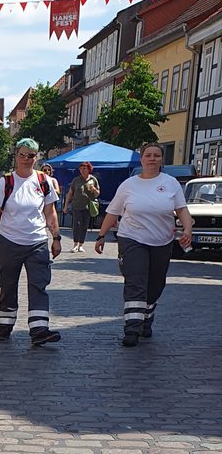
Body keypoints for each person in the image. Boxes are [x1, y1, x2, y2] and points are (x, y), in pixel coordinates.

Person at [93, 142, 193, 346]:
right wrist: (101, 235)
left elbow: (181, 209)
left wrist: (188, 230)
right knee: (136, 281)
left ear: (161, 159)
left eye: (157, 155)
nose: (152, 159)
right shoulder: (129, 185)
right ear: (142, 159)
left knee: (156, 283)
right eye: (148, 155)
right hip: (132, 238)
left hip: (161, 240)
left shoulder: (171, 183)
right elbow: (112, 211)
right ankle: (132, 328)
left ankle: (146, 318)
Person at [0, 137, 63, 346]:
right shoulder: (6, 182)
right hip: (9, 242)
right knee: (8, 284)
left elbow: (50, 212)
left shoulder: (43, 181)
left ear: (36, 158)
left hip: (37, 242)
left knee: (39, 284)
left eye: (30, 155)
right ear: (16, 156)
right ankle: (5, 326)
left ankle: (39, 330)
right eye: (22, 155)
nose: (26, 159)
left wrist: (56, 238)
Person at [63, 161, 100, 252]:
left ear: (89, 169)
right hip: (76, 206)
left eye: (84, 169)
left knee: (84, 226)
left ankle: (81, 245)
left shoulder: (93, 179)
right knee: (77, 225)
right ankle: (75, 244)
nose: (82, 171)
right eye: (80, 169)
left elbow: (97, 194)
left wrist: (94, 189)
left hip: (88, 207)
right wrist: (66, 206)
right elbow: (70, 193)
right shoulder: (76, 180)